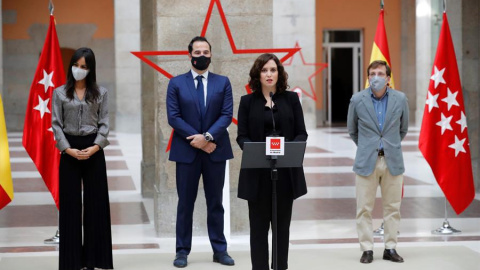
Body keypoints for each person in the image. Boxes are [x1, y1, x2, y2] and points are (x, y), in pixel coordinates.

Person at [166, 36, 235, 268]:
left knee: (215, 202)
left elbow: (226, 115)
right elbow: (173, 117)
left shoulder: (223, 82)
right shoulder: (176, 83)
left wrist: (206, 138)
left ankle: (220, 250)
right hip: (186, 152)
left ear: (211, 54)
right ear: (189, 55)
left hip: (215, 151)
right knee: (185, 203)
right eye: (197, 52)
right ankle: (182, 251)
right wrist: (198, 140)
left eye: (206, 51)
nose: (202, 56)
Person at [236, 53, 308, 270]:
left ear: (279, 73)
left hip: (284, 173)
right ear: (258, 74)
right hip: (257, 173)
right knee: (258, 229)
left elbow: (301, 133)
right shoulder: (247, 101)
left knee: (281, 229)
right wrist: (255, 149)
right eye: (265, 70)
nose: (269, 74)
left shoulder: (291, 99)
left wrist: (289, 149)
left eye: (273, 70)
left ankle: (280, 267)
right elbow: (242, 135)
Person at [52, 47, 113, 270]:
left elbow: (105, 124)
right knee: (70, 205)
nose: (79, 70)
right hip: (69, 151)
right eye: (76, 65)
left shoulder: (101, 93)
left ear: (91, 69)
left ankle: (95, 260)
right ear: (71, 66)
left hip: (93, 149)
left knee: (96, 205)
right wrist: (67, 149)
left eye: (84, 67)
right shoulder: (59, 93)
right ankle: (71, 261)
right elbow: (56, 124)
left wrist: (96, 146)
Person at [347, 60, 409, 264]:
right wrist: (368, 146)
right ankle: (367, 249)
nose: (376, 77)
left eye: (380, 73)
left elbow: (403, 129)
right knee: (364, 208)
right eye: (372, 73)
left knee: (393, 207)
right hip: (367, 161)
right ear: (368, 77)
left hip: (392, 160)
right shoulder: (357, 99)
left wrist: (389, 145)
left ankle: (390, 247)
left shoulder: (400, 99)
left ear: (388, 78)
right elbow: (352, 130)